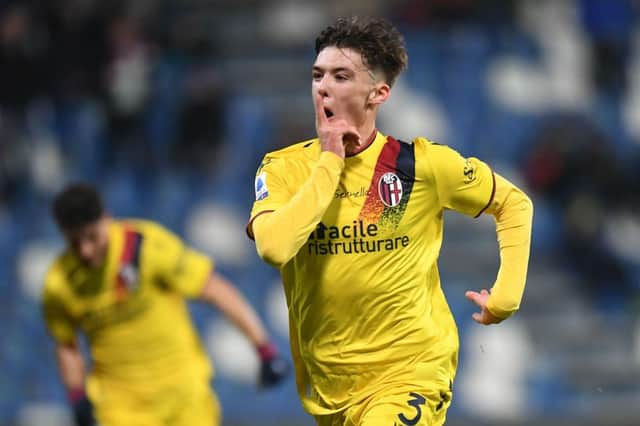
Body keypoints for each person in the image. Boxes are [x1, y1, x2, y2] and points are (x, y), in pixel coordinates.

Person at [246, 16, 533, 426]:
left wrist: (506, 296)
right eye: (317, 75)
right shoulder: (284, 169)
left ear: (378, 93)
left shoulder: (420, 165)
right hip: (332, 388)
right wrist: (330, 160)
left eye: (341, 76)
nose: (323, 87)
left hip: (410, 372)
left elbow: (514, 203)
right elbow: (274, 247)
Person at [42, 182, 289, 426]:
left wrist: (264, 348)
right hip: (121, 407)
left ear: (107, 219)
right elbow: (67, 345)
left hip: (184, 396)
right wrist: (77, 397)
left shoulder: (146, 246)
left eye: (92, 238)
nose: (85, 251)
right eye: (75, 243)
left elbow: (215, 290)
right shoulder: (59, 284)